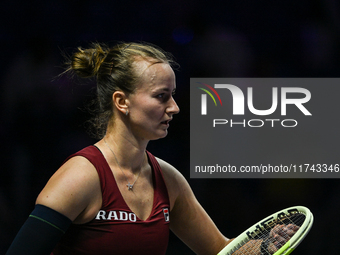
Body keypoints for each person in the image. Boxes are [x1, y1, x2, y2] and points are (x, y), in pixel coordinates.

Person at [6, 42, 296, 255]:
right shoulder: (81, 177)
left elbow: (220, 250)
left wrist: (268, 244)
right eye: (161, 96)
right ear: (122, 101)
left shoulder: (168, 181)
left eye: (173, 96)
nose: (175, 107)